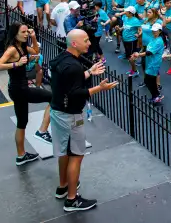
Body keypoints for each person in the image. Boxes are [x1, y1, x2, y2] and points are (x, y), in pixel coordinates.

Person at [49, 29, 118, 212]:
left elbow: (67, 82)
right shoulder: (73, 66)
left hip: (58, 112)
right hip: (70, 116)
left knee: (64, 151)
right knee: (76, 155)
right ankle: (72, 200)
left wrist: (88, 72)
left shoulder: (63, 60)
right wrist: (99, 88)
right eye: (86, 40)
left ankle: (63, 186)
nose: (89, 43)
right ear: (74, 44)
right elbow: (74, 93)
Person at [0, 23, 53, 165]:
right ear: (15, 34)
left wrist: (33, 37)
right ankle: (42, 131)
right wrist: (17, 64)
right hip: (20, 90)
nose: (26, 34)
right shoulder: (12, 50)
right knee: (53, 97)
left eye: (27, 31)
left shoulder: (22, 47)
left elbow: (35, 52)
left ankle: (21, 156)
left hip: (17, 89)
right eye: (24, 32)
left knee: (22, 122)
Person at [131, 22, 165, 103]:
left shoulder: (158, 41)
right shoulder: (153, 38)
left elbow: (149, 52)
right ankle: (156, 95)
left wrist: (138, 54)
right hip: (149, 62)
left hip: (154, 63)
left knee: (150, 80)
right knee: (149, 80)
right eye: (153, 30)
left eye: (155, 31)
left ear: (160, 31)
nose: (153, 32)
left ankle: (156, 97)